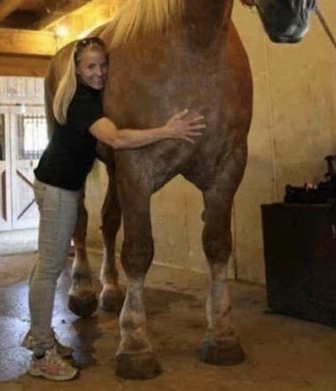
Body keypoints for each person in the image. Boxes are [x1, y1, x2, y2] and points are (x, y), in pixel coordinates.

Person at [24, 36, 206, 381]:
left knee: (44, 267)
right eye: (91, 66)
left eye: (103, 65)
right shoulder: (81, 102)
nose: (99, 73)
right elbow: (118, 139)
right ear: (77, 69)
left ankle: (39, 336)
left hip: (57, 185)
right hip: (58, 191)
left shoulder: (89, 96)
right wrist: (168, 131)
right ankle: (41, 354)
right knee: (48, 269)